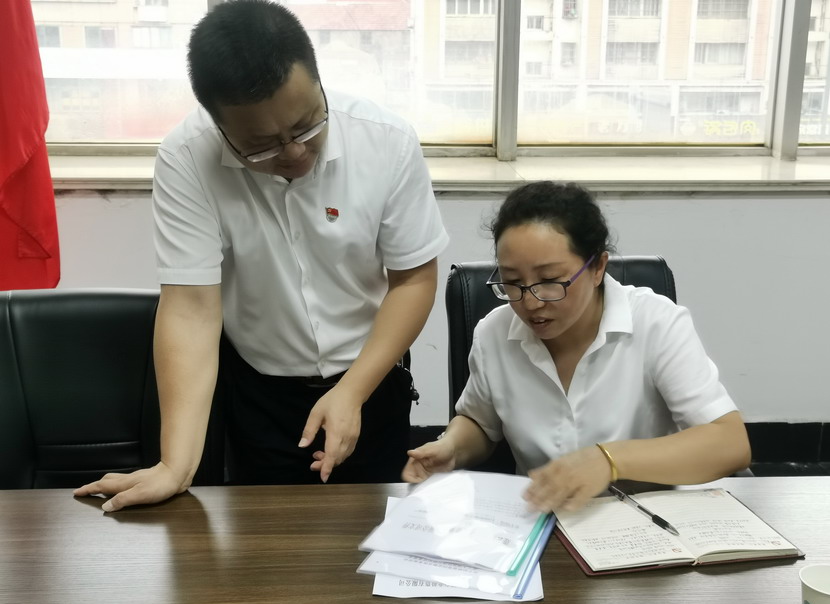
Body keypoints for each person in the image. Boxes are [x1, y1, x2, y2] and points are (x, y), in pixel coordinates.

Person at [74, 0, 448, 511]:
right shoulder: (187, 158)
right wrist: (175, 464)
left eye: (307, 125)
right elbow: (191, 308)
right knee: (265, 538)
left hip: (373, 377)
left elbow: (413, 279)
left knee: (377, 530)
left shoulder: (386, 140)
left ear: (318, 80)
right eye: (261, 145)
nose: (293, 152)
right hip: (260, 395)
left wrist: (353, 391)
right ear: (220, 125)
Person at [402, 181, 750, 512]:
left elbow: (729, 443)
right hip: (543, 522)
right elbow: (480, 422)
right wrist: (452, 447)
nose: (531, 302)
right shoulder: (494, 332)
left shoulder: (656, 322)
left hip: (644, 521)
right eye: (512, 282)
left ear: (597, 267)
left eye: (550, 281)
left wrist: (608, 460)